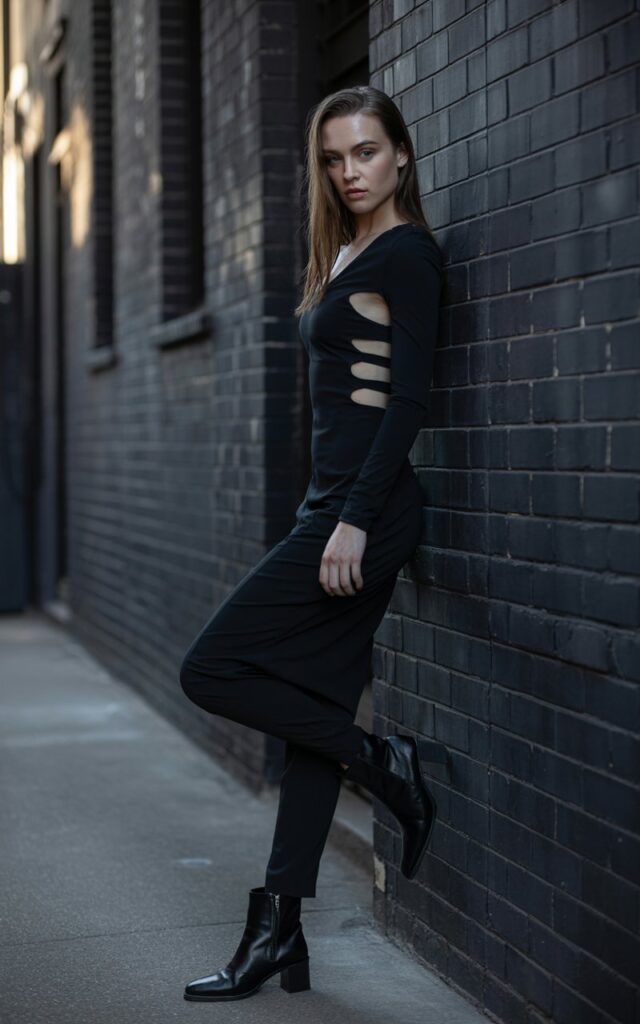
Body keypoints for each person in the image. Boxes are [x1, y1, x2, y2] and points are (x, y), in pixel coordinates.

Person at [179, 84, 445, 1002]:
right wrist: (330, 510)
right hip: (328, 506)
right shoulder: (345, 252)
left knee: (211, 667)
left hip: (362, 514)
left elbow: (407, 402)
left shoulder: (408, 255)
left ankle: (383, 765)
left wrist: (355, 520)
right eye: (334, 158)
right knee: (310, 713)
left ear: (401, 153)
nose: (350, 172)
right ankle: (279, 931)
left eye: (366, 152)